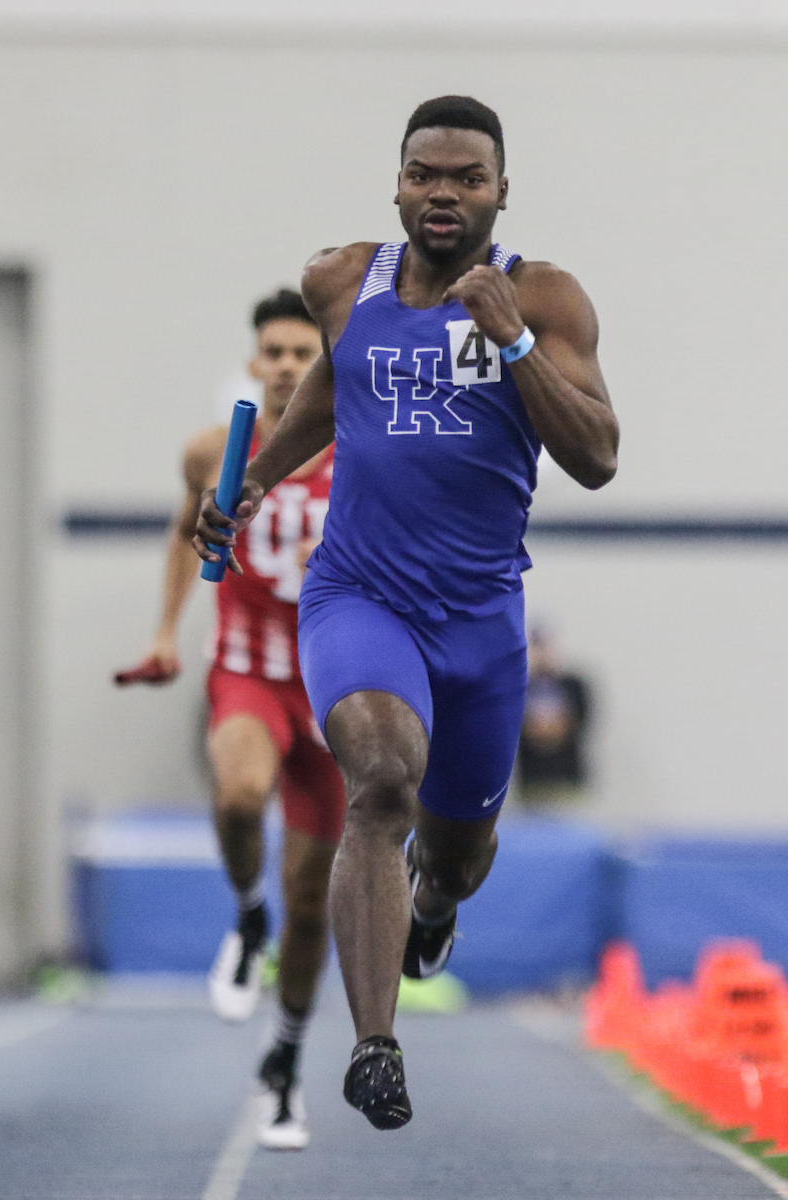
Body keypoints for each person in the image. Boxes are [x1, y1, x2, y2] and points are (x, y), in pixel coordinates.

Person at [194, 96, 619, 1131]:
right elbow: (329, 400)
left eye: (466, 178)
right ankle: (374, 1045)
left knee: (458, 856)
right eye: (424, 174)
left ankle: (432, 911)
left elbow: (597, 457)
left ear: (498, 192)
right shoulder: (341, 282)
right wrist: (252, 484)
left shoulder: (543, 296)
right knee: (380, 778)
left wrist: (513, 344)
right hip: (359, 596)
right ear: (396, 182)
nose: (443, 193)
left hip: (479, 620)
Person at [115, 288, 345, 1150]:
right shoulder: (215, 452)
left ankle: (282, 1065)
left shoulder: (357, 450)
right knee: (241, 795)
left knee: (314, 899)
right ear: (253, 363)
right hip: (247, 671)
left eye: (302, 353)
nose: (287, 367)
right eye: (273, 353)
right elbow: (185, 533)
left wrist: (354, 552)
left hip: (330, 688)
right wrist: (168, 632)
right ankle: (249, 920)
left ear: (320, 363)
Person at [517, 624, 593, 805]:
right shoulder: (520, 688)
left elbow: (581, 720)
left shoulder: (573, 686)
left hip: (567, 778)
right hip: (531, 780)